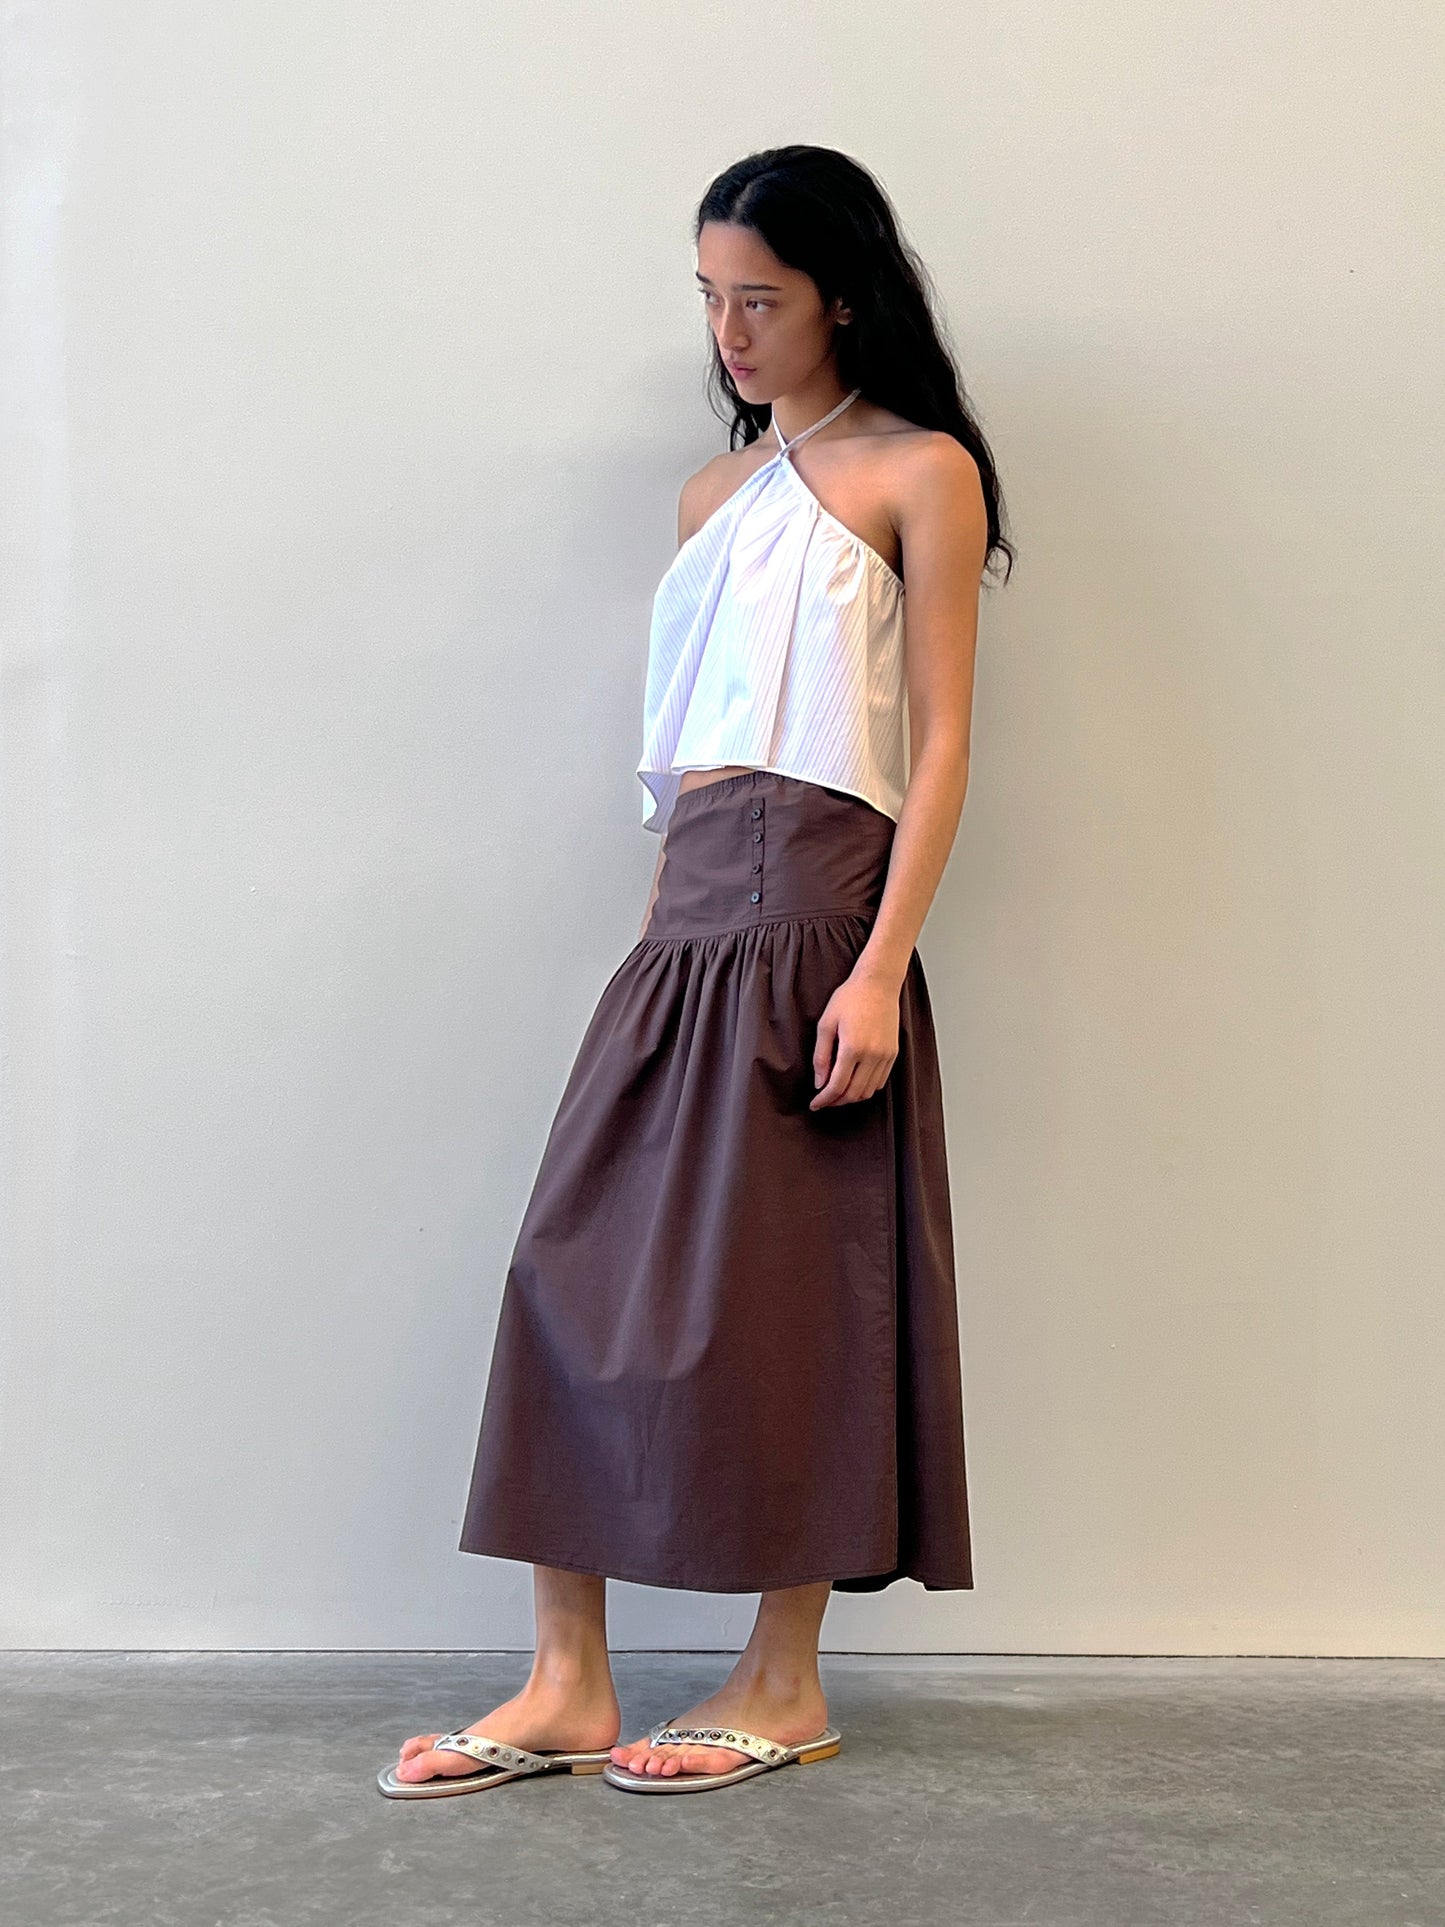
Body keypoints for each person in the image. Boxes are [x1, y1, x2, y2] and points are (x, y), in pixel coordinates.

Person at [378, 142, 1012, 1801]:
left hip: (818, 917)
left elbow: (944, 743)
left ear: (839, 301)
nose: (729, 333)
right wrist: (663, 933)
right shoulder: (709, 498)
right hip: (682, 925)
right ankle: (566, 1682)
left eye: (760, 300)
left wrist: (878, 966)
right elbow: (683, 756)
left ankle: (781, 1681)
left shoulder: (918, 470)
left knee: (788, 1296)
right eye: (712, 300)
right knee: (568, 1273)